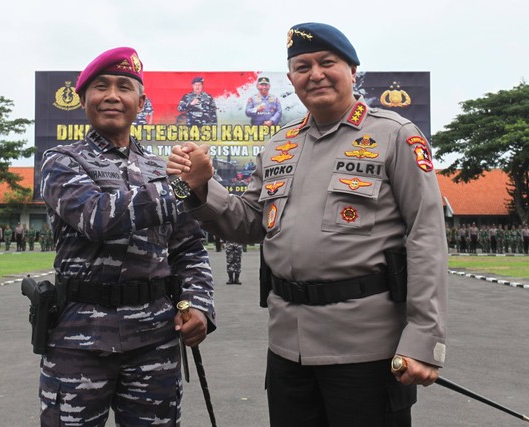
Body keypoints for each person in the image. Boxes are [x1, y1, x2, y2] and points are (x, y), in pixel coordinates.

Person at [167, 22, 447, 427]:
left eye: (326, 62)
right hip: (287, 348)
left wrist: (424, 338)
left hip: (366, 349)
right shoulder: (279, 145)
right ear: (292, 80)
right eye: (302, 66)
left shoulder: (395, 136)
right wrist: (200, 186)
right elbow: (248, 221)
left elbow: (426, 237)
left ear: (353, 71)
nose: (314, 74)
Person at [38, 46, 216, 426]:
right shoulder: (62, 161)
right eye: (100, 87)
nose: (112, 96)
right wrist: (184, 187)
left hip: (155, 340)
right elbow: (98, 218)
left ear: (141, 102)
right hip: (81, 341)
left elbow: (188, 248)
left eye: (124, 86)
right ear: (84, 99)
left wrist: (198, 305)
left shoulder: (160, 168)